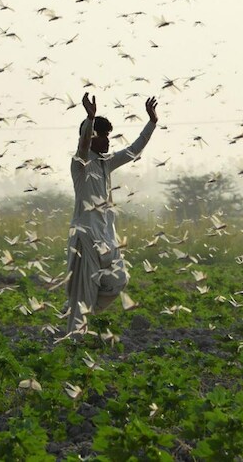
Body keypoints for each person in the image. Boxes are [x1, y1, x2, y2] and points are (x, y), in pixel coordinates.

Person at [64, 93, 158, 335]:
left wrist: (152, 122)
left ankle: (78, 311)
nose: (107, 141)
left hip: (106, 238)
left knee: (118, 280)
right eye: (101, 136)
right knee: (83, 292)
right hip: (86, 238)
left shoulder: (107, 163)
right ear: (91, 138)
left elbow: (133, 150)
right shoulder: (80, 163)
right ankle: (76, 336)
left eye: (107, 136)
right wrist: (90, 118)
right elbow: (83, 146)